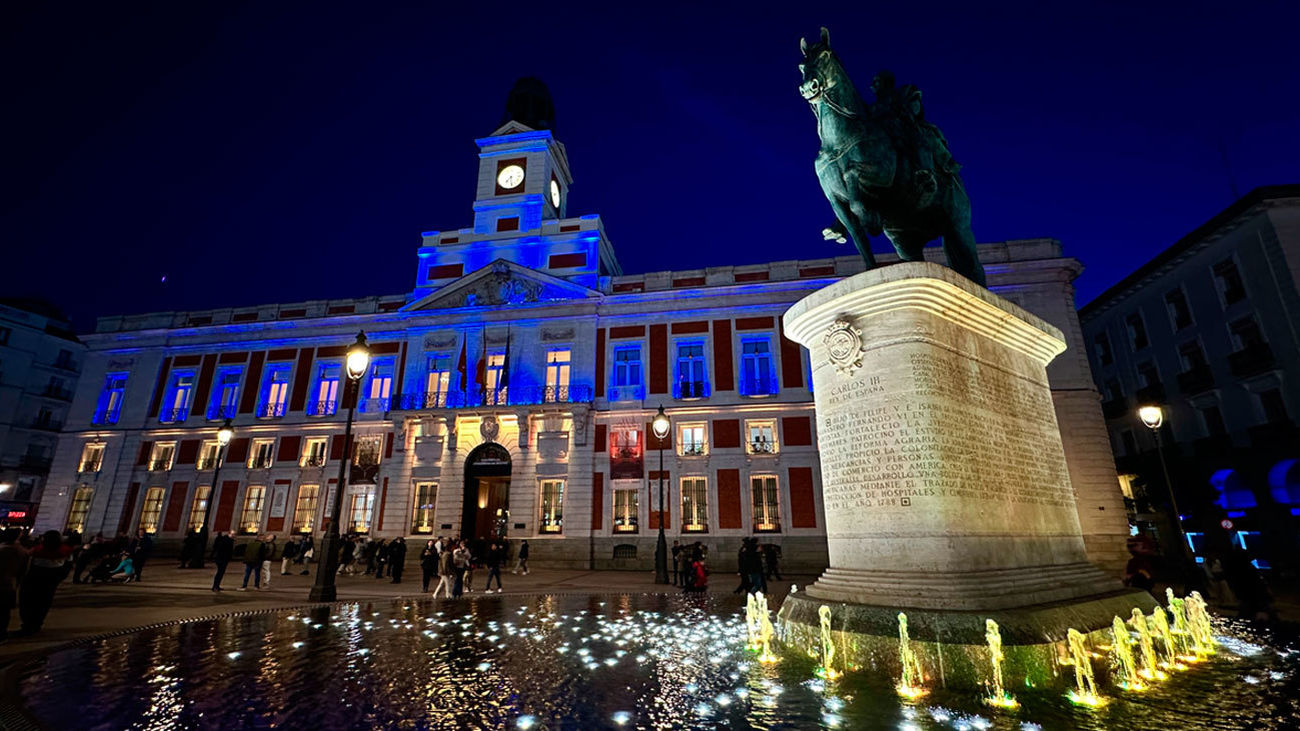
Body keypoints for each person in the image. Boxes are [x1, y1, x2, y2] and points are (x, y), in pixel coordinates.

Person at [18, 530, 73, 635]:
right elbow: (67, 567)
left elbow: (27, 564)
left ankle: (27, 625)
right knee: (43, 604)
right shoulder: (66, 551)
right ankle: (36, 624)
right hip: (51, 580)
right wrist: (59, 578)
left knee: (28, 603)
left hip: (34, 578)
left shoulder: (37, 550)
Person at [0, 529, 28, 642]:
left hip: (4, 583)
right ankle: (2, 633)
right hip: (10, 585)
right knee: (4, 611)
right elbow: (23, 571)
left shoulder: (2, 549)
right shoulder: (22, 551)